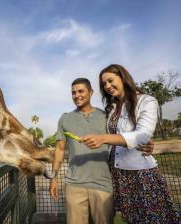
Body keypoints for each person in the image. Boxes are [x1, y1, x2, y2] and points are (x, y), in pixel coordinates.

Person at [82, 64, 180, 223]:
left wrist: (102, 138)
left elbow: (142, 135)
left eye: (110, 80)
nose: (107, 86)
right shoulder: (112, 108)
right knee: (132, 219)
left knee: (153, 218)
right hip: (118, 172)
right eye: (104, 84)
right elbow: (122, 136)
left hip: (139, 173)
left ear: (123, 77)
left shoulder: (146, 100)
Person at [50, 78, 114, 224]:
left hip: (103, 184)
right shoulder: (65, 119)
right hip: (74, 185)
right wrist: (53, 178)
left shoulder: (106, 116)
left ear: (91, 92)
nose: (76, 95)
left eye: (80, 91)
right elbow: (59, 150)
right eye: (73, 92)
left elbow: (121, 139)